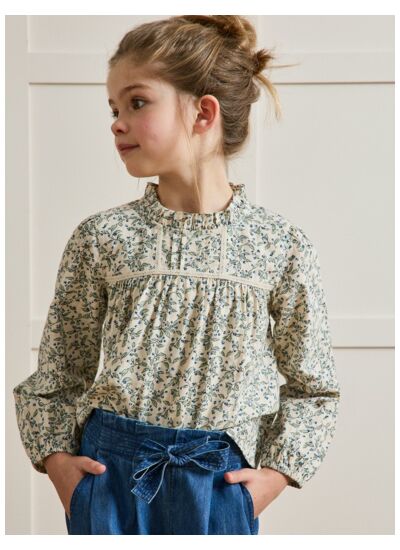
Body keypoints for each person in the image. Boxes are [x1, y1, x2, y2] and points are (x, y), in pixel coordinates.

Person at [12, 15, 341, 535]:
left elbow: (314, 387)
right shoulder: (102, 237)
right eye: (114, 109)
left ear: (203, 112)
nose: (117, 123)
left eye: (137, 103)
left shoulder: (281, 246)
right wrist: (62, 470)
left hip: (219, 486)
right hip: (109, 482)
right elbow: (57, 375)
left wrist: (273, 478)